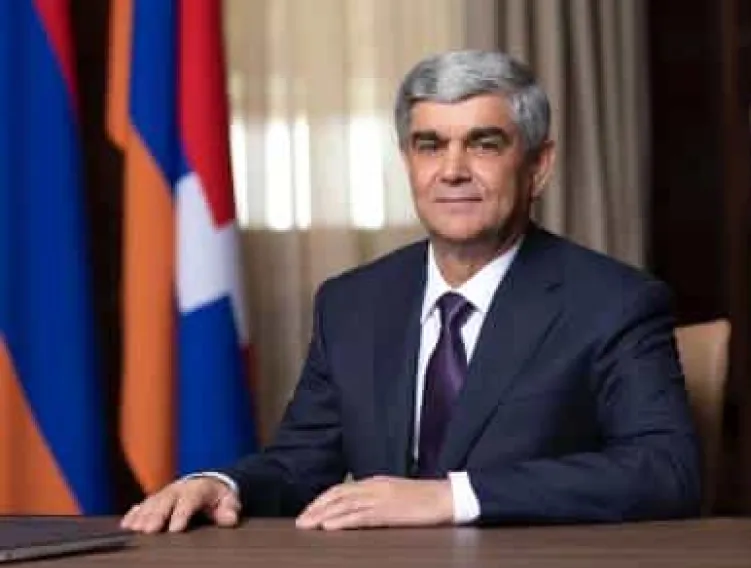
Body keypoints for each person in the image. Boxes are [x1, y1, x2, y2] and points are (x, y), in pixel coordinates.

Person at [121, 49, 701, 533]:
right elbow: (301, 464)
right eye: (430, 145)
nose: (452, 170)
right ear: (407, 162)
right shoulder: (350, 303)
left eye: (484, 144)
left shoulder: (614, 302)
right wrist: (222, 484)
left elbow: (665, 470)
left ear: (538, 166)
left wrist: (452, 497)